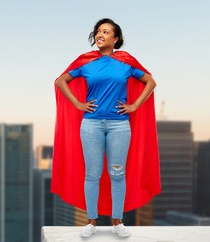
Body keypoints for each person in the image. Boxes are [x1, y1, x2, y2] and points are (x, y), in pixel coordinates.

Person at [51, 18, 161, 238]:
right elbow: (60, 81)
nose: (100, 34)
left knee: (117, 174)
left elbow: (151, 82)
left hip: (119, 126)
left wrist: (135, 105)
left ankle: (117, 222)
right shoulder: (85, 62)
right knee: (92, 175)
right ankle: (91, 222)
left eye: (106, 31)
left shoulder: (127, 62)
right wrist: (78, 104)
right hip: (90, 125)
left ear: (115, 39)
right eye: (98, 31)